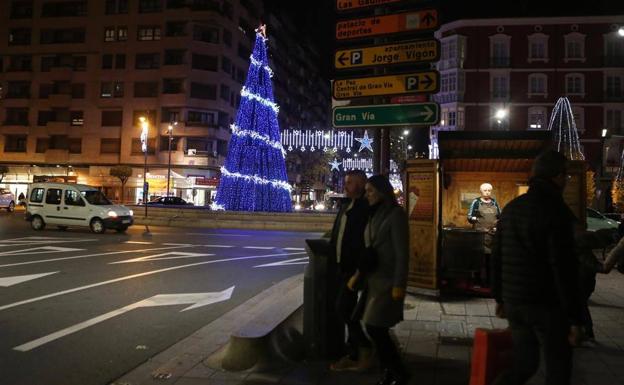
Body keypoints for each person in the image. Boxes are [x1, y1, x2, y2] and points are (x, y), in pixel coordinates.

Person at [492, 150, 583, 385]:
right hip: (547, 305)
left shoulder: (512, 209)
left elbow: (497, 256)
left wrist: (500, 298)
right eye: (566, 176)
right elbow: (563, 267)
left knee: (525, 363)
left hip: (515, 302)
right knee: (558, 367)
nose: (567, 181)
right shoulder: (556, 212)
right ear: (556, 176)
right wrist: (575, 317)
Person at [348, 174, 409, 385]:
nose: (367, 194)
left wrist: (399, 285)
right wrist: (358, 274)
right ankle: (390, 372)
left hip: (388, 282)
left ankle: (398, 372)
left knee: (375, 327)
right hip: (373, 282)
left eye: (371, 191)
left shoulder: (396, 215)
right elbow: (370, 250)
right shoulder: (373, 215)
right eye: (366, 191)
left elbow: (402, 254)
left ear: (383, 192)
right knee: (375, 327)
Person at [328, 169, 373, 371]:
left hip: (353, 269)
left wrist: (359, 271)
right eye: (346, 182)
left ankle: (363, 350)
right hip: (340, 266)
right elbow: (340, 232)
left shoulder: (365, 208)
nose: (345, 186)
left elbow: (365, 242)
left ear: (362, 184)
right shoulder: (347, 205)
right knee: (347, 309)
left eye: (350, 183)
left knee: (344, 309)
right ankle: (354, 351)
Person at [467, 183, 501, 287]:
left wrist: (497, 227)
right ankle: (477, 281)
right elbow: (469, 217)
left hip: (492, 236)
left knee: (490, 261)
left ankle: (490, 282)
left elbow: (500, 217)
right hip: (479, 237)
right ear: (481, 191)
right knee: (478, 260)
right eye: (485, 190)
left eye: (489, 190)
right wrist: (476, 220)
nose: (487, 192)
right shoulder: (476, 202)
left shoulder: (495, 202)